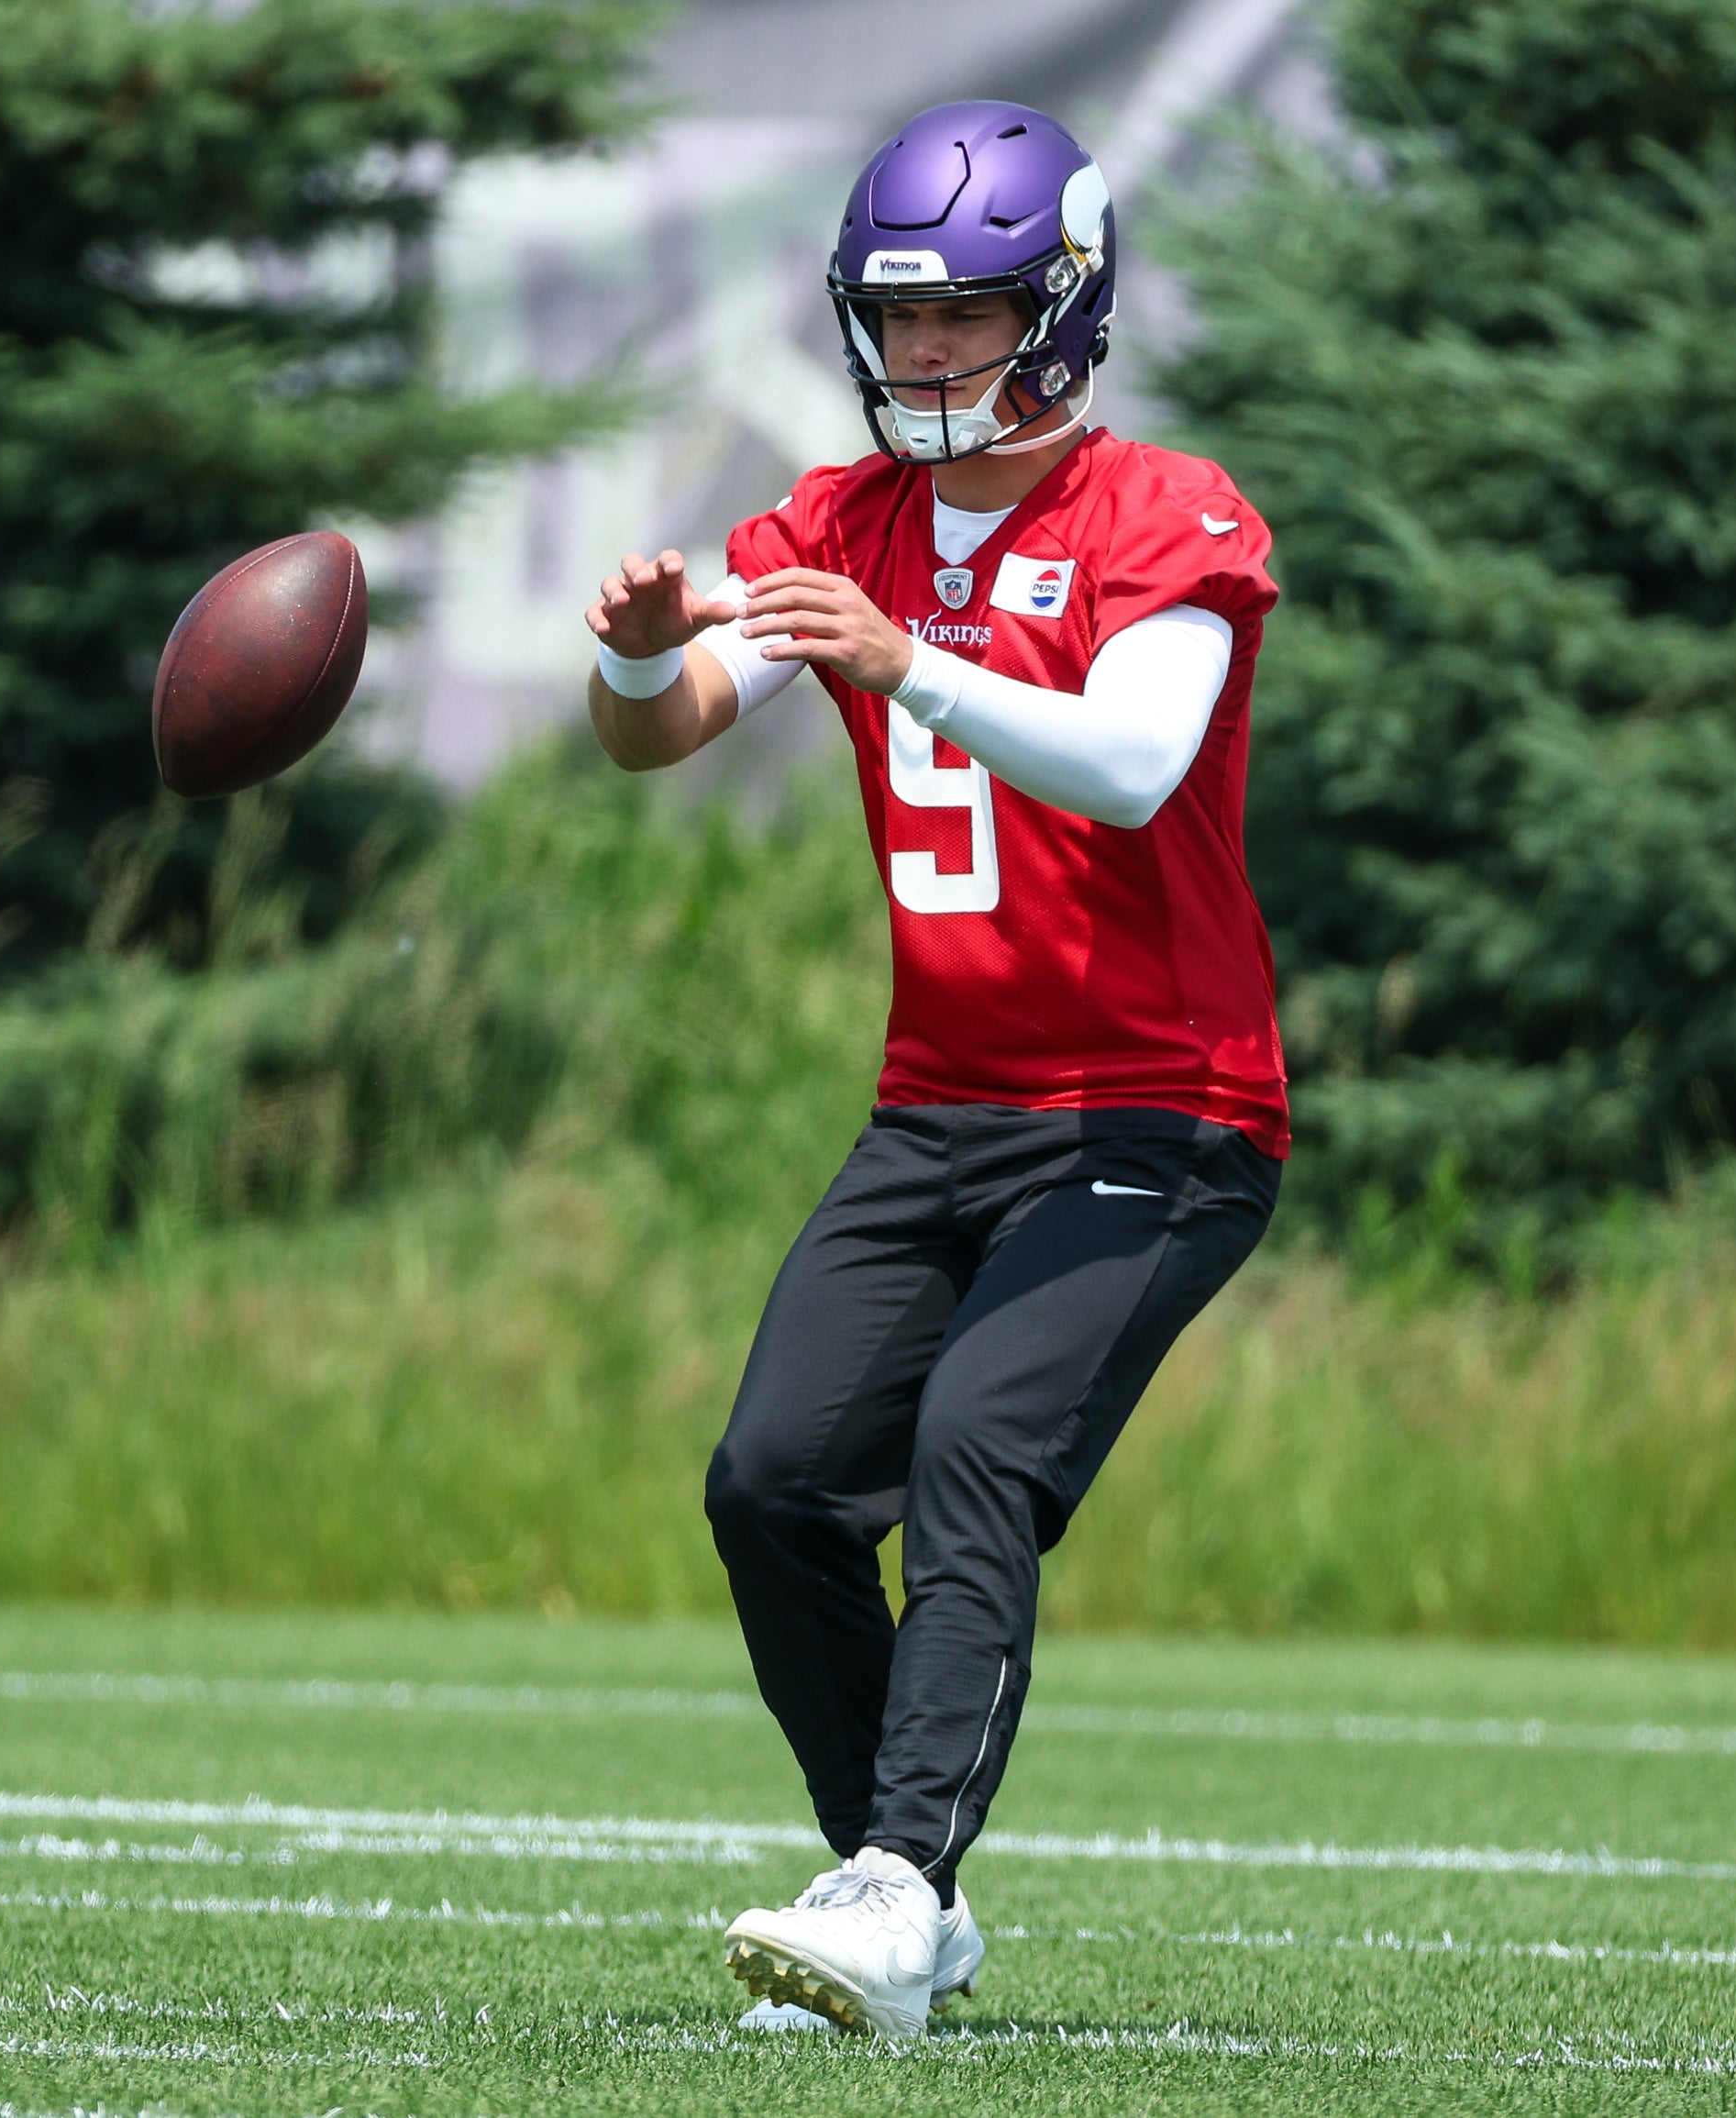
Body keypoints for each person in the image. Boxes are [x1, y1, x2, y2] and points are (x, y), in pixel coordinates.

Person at [581, 100, 1287, 2040]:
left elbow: (1130, 765)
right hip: (940, 1105)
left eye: (966, 311)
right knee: (775, 1485)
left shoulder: (1167, 512)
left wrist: (908, 664)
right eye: (898, 316)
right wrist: (637, 656)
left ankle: (896, 1879)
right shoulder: (845, 518)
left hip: (1160, 1109)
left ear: (1063, 309)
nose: (926, 350)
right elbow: (666, 724)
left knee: (976, 1443)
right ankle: (899, 1889)